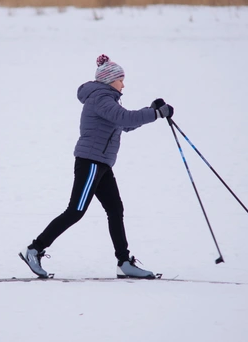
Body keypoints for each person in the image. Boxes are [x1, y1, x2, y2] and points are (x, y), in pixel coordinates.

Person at [19, 54, 174, 279]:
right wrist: (155, 113)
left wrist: (152, 112)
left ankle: (124, 262)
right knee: (75, 211)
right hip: (91, 163)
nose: (123, 84)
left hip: (101, 164)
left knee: (115, 210)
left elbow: (125, 124)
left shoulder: (107, 99)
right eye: (121, 79)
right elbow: (125, 118)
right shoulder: (100, 98)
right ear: (110, 80)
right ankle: (34, 249)